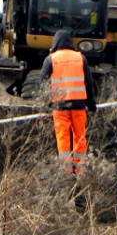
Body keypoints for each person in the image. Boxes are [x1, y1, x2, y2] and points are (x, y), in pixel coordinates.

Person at [40, 29, 97, 175]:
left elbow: (42, 83)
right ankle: (80, 170)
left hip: (60, 106)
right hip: (79, 105)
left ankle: (65, 171)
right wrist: (91, 103)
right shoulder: (80, 58)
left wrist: (46, 104)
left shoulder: (51, 59)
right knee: (80, 136)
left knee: (63, 137)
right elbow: (89, 82)